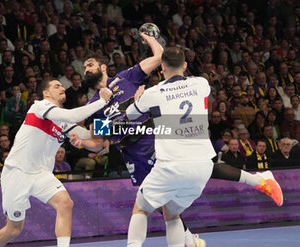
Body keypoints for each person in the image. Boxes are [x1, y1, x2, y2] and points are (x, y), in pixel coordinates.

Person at [71, 36, 283, 246]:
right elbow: (99, 141)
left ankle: (257, 183)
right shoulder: (93, 104)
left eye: (90, 64)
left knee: (187, 180)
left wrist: (150, 38)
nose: (86, 69)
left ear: (103, 66)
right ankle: (188, 239)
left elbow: (159, 57)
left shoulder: (125, 78)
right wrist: (82, 141)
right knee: (167, 203)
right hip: (132, 152)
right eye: (84, 67)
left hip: (153, 134)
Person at [0, 79, 112, 247]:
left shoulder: (64, 123)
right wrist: (102, 101)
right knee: (14, 229)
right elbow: (73, 115)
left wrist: (106, 118)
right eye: (56, 86)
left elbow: (95, 142)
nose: (62, 87)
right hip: (17, 172)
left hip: (41, 174)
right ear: (46, 93)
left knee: (65, 203)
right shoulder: (39, 107)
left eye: (62, 85)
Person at [124, 47, 215, 247]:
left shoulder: (153, 93)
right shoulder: (202, 83)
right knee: (172, 213)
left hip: (172, 165)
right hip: (203, 166)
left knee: (140, 209)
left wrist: (138, 98)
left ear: (162, 67)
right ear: (184, 65)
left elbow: (130, 115)